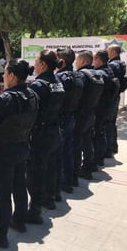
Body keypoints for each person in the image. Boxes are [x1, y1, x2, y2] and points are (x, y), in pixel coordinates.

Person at [0, 59, 38, 248]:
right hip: (22, 146)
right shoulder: (32, 94)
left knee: (3, 194)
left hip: (3, 151)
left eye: (5, 73)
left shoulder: (5, 99)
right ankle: (19, 220)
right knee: (19, 186)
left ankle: (0, 234)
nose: (3, 76)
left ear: (12, 76)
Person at [26, 50, 64, 222]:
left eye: (36, 60)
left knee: (35, 172)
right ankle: (49, 198)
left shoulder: (38, 85)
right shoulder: (58, 82)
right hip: (54, 130)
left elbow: (31, 112)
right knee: (50, 167)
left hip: (40, 133)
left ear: (43, 64)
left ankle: (34, 210)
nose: (34, 63)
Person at [55, 48, 83, 194]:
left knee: (59, 153)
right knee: (68, 150)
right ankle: (71, 180)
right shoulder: (78, 76)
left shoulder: (61, 78)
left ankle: (61, 184)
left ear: (62, 61)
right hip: (72, 116)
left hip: (62, 118)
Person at [74, 51, 104, 181]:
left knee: (76, 144)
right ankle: (88, 167)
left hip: (80, 113)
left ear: (82, 61)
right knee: (88, 142)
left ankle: (75, 172)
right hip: (92, 112)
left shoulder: (81, 75)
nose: (76, 62)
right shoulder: (98, 74)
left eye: (77, 60)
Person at [92, 50, 120, 168]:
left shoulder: (100, 73)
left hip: (100, 108)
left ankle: (95, 160)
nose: (93, 62)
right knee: (101, 133)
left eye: (94, 59)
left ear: (99, 60)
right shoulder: (109, 71)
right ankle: (100, 158)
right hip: (107, 107)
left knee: (96, 134)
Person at [106, 44, 127, 157]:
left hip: (110, 98)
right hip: (116, 96)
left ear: (114, 52)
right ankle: (113, 146)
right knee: (112, 122)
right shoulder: (121, 64)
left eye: (109, 50)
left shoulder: (113, 65)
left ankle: (108, 149)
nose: (107, 52)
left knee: (108, 123)